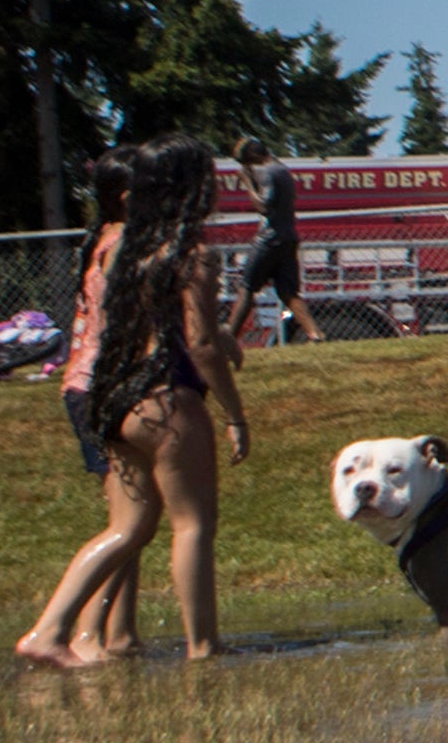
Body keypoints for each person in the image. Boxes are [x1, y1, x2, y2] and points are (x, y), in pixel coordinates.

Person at [16, 137, 249, 667]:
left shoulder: (123, 250)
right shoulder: (191, 255)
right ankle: (204, 646)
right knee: (192, 525)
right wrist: (235, 414)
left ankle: (49, 631)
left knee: (127, 529)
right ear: (193, 190)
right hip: (169, 403)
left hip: (120, 402)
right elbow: (202, 345)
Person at [45, 150, 140, 662]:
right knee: (126, 524)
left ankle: (120, 636)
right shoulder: (122, 243)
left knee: (132, 516)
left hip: (85, 386)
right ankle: (83, 636)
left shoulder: (103, 238)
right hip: (98, 388)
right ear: (127, 196)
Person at [231, 134, 318, 344]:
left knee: (247, 287)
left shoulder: (269, 172)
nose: (248, 166)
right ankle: (315, 334)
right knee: (288, 292)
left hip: (269, 239)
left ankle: (229, 337)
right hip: (289, 237)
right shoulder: (283, 170)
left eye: (247, 162)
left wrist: (247, 184)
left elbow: (264, 206)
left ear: (253, 154)